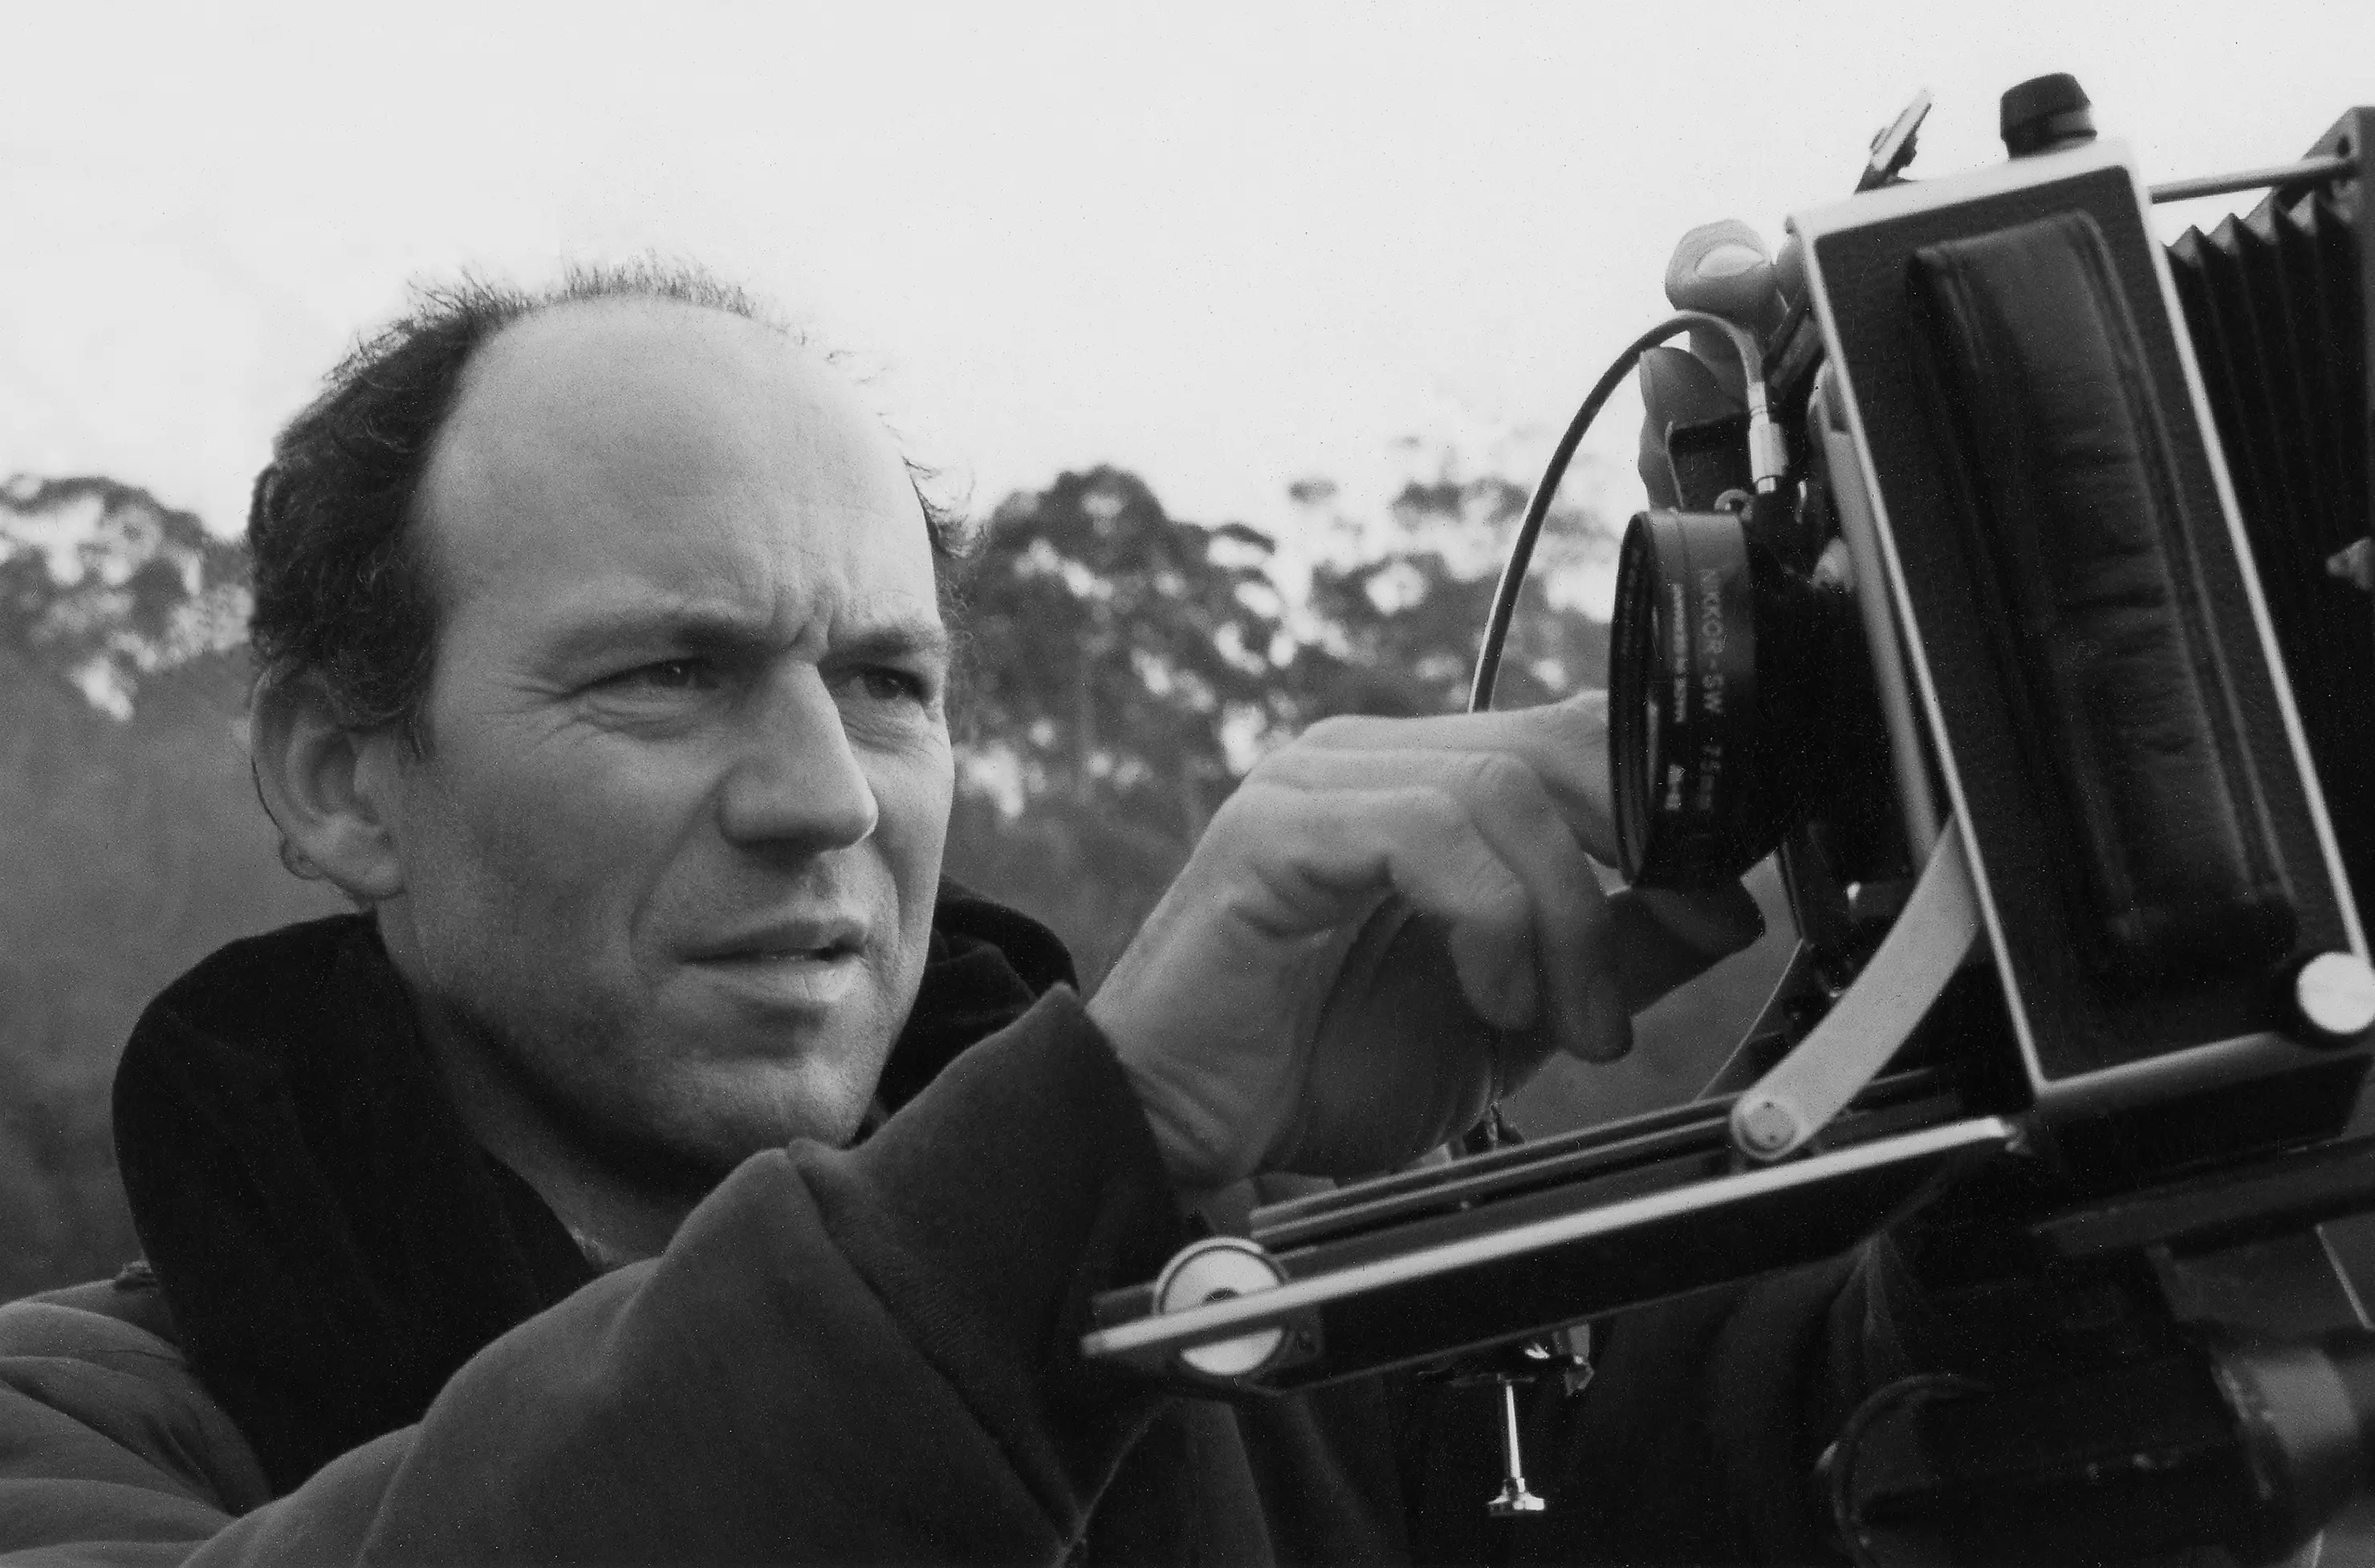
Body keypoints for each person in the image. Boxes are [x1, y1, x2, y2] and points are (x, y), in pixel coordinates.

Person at [0, 258, 1927, 1566]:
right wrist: (1103, 1144)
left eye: (890, 683)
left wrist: (1945, 999)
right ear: (344, 779)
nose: (825, 796)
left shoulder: (1271, 1345)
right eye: (665, 675)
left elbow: (1811, 1434)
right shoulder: (78, 1430)